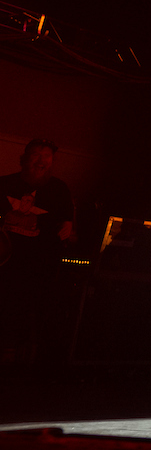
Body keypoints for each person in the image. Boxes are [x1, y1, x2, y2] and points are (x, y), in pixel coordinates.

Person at [0, 139, 74, 361]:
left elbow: (67, 221)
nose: (41, 160)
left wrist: (68, 226)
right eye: (36, 155)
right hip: (5, 262)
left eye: (47, 156)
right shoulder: (5, 184)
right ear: (24, 159)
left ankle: (21, 357)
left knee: (30, 311)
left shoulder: (59, 189)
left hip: (39, 267)